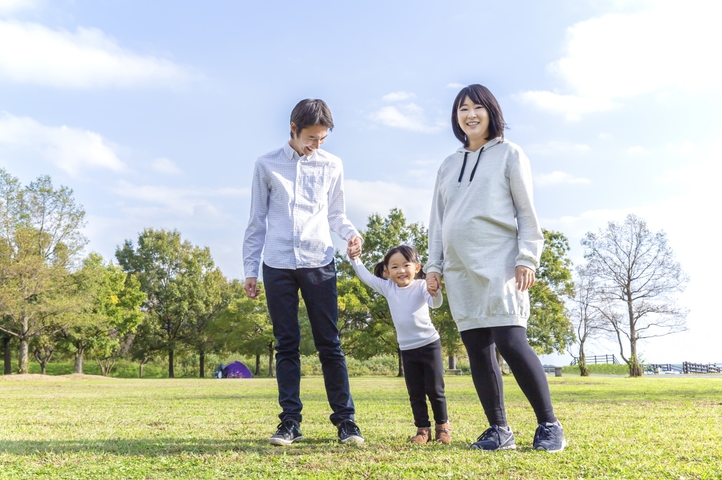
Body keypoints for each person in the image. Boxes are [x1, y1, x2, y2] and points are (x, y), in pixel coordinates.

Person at [425, 84, 567, 452]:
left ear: (491, 111)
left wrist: (527, 257)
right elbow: (437, 222)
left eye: (476, 107)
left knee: (511, 340)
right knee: (477, 347)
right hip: (459, 269)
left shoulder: (510, 154)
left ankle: (549, 424)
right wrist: (434, 265)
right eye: (462, 109)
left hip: (501, 260)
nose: (469, 114)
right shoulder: (448, 164)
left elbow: (526, 212)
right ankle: (499, 430)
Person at [243, 98, 365, 446]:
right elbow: (256, 220)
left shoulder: (332, 165)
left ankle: (346, 422)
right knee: (286, 346)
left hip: (319, 262)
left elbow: (337, 214)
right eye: (311, 138)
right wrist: (251, 268)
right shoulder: (266, 165)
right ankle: (290, 423)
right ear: (293, 129)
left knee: (330, 344)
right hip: (277, 263)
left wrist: (352, 235)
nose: (316, 145)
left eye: (322, 139)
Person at [347, 244, 451, 444]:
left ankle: (442, 427)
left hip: (429, 344)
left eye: (406, 265)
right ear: (386, 272)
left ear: (417, 267)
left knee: (435, 389)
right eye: (394, 267)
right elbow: (366, 277)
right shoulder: (388, 287)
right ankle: (423, 430)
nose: (401, 270)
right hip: (407, 349)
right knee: (415, 392)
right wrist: (354, 259)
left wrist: (435, 292)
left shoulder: (421, 286)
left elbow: (434, 303)